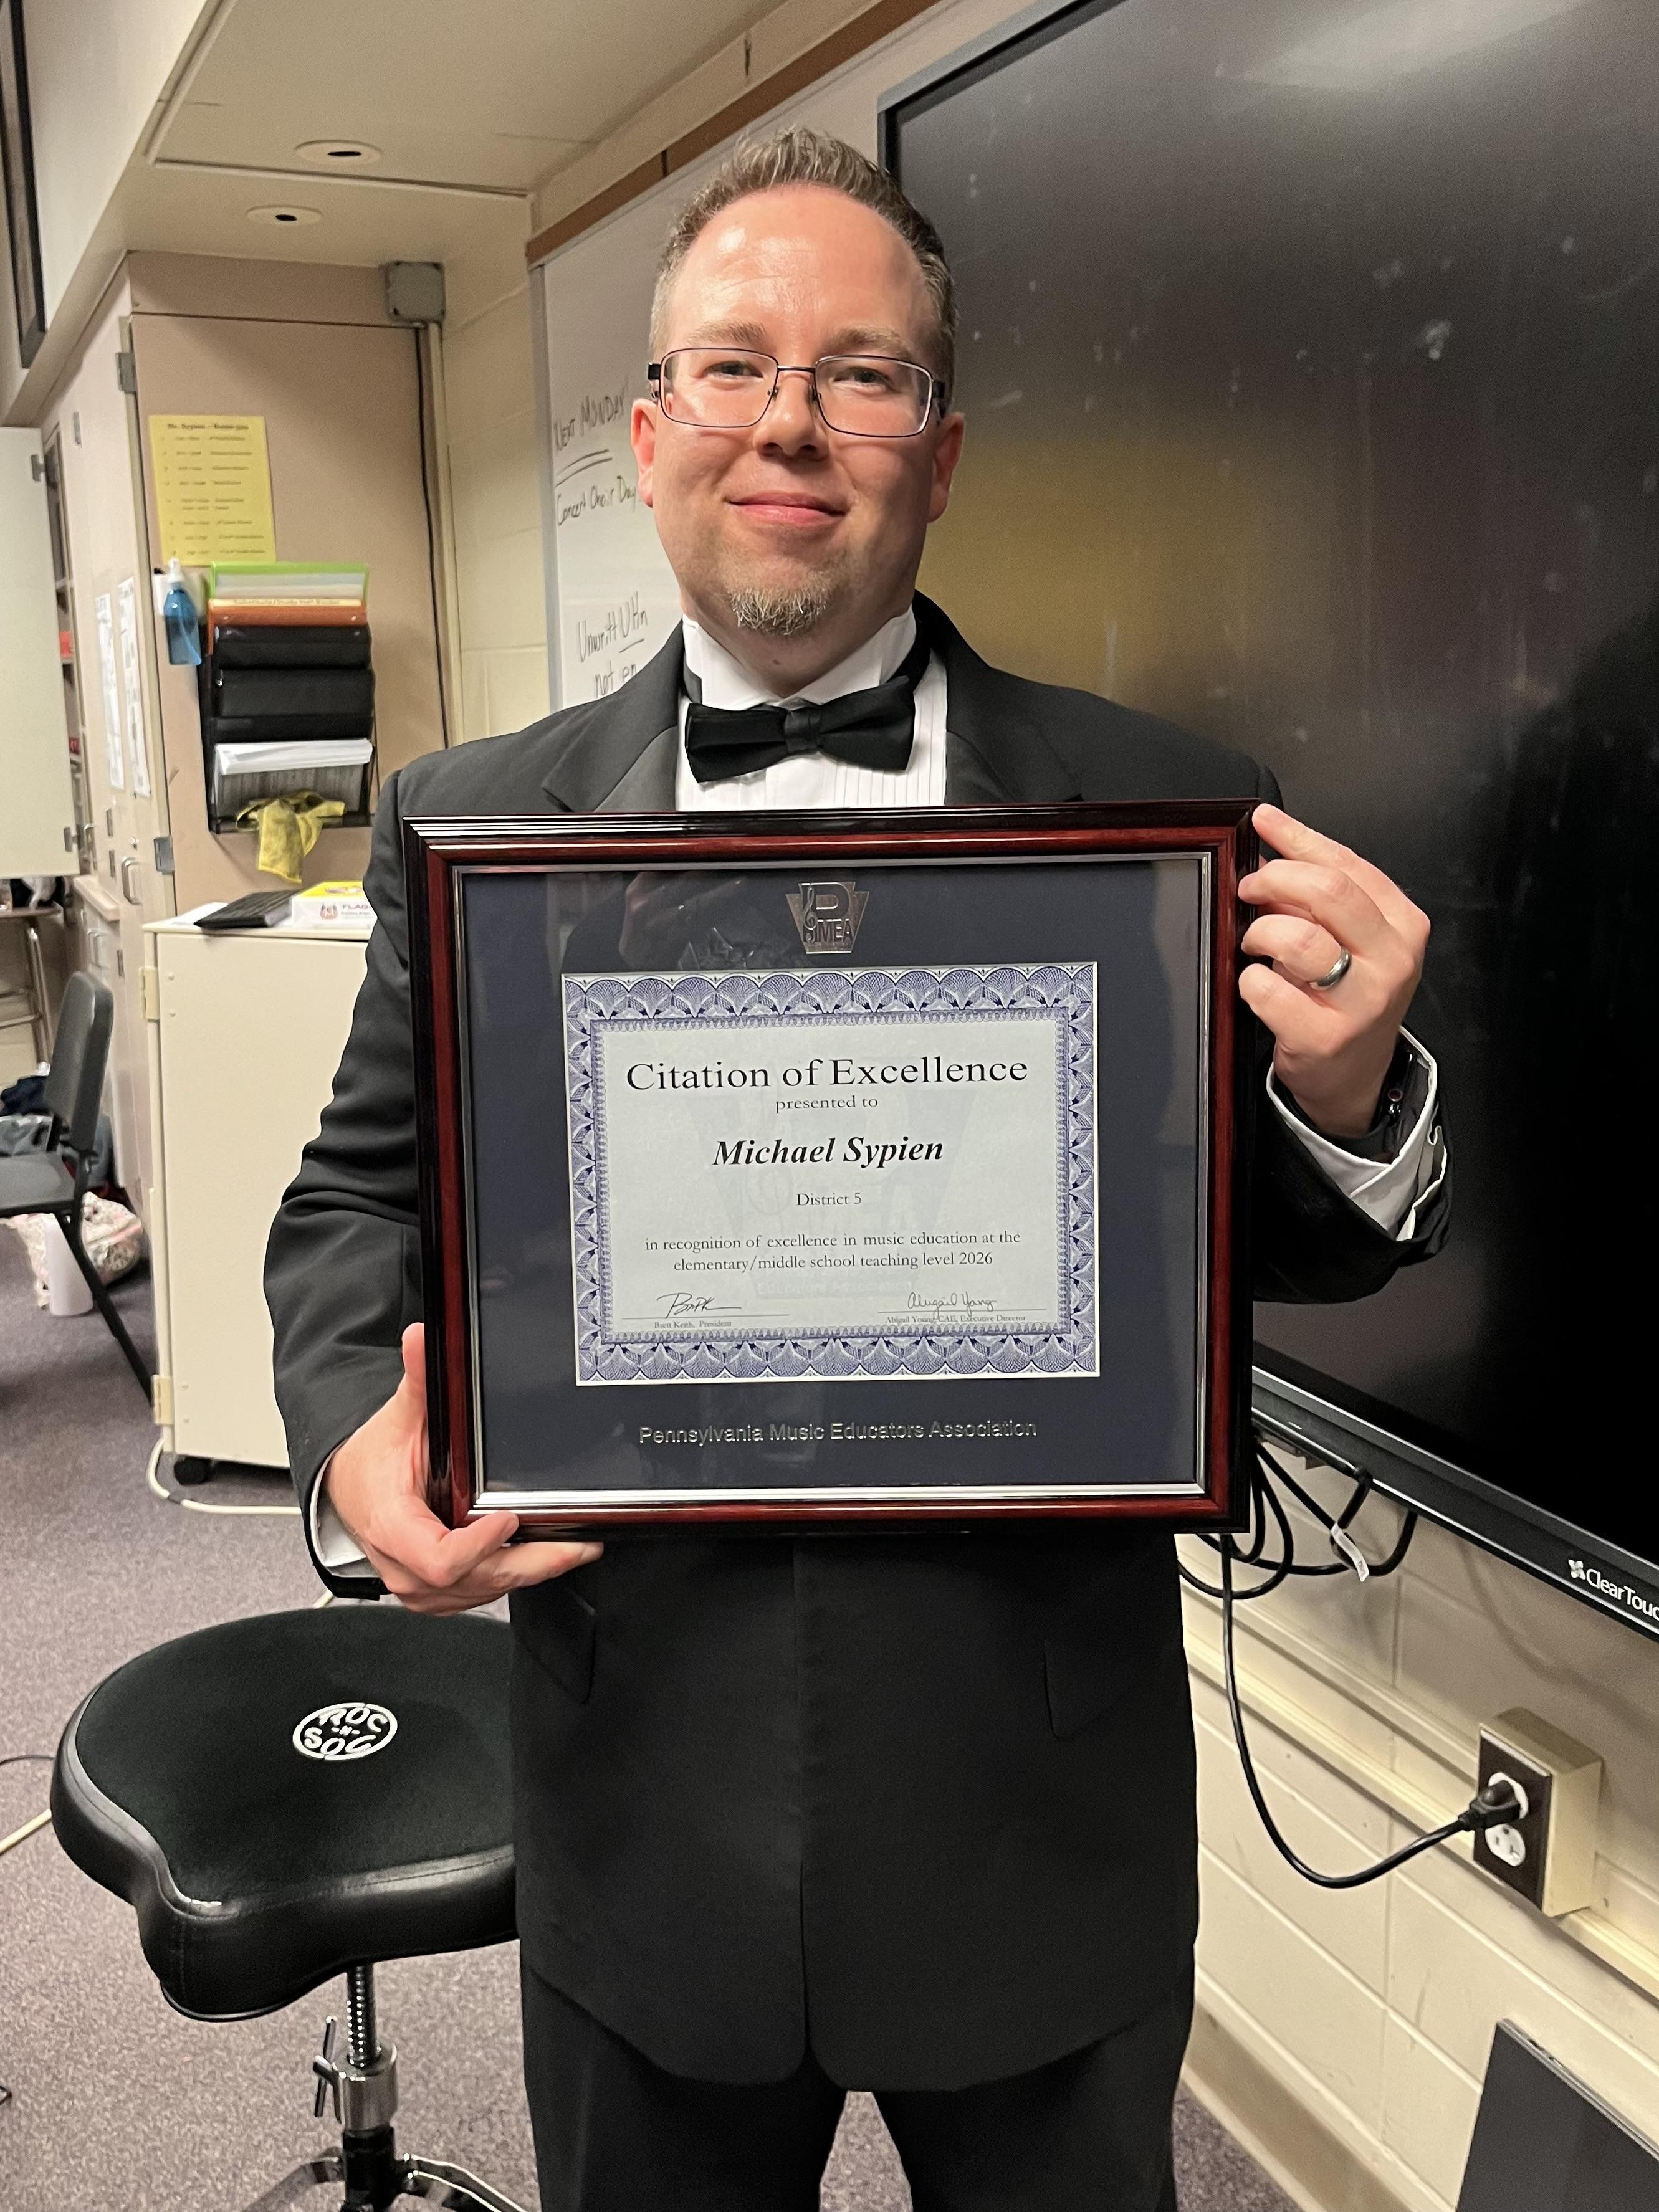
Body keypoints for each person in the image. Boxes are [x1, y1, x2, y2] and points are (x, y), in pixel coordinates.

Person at [266, 128, 1448, 2212]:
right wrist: (361, 1435)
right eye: (732, 365)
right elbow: (357, 1201)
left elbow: (1243, 1259)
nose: (790, 422)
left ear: (944, 448)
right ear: (650, 437)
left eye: (863, 373)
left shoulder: (1173, 809)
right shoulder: (471, 826)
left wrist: (1343, 1099)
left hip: (1038, 1827)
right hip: (642, 1822)